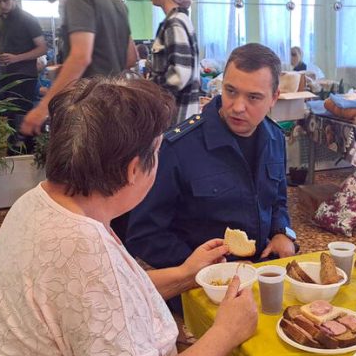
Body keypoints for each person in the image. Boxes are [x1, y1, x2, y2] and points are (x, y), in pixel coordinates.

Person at [0, 76, 257, 356]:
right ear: (135, 169)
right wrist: (226, 330)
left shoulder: (39, 202)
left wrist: (185, 275)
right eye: (158, 152)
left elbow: (99, 301)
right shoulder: (82, 249)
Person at [126, 43, 297, 273]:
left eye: (254, 97)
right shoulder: (178, 147)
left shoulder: (275, 138)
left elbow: (277, 201)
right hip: (200, 283)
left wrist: (281, 232)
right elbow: (145, 234)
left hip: (260, 271)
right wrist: (210, 267)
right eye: (231, 91)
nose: (237, 107)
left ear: (274, 98)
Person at [21, 0, 137, 136]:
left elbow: (81, 57)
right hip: (115, 105)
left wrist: (42, 109)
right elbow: (131, 57)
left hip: (89, 108)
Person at [0, 0, 47, 152]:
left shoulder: (28, 20)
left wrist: (16, 58)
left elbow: (42, 48)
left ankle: (27, 153)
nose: (2, 5)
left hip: (25, 76)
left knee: (23, 118)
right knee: (11, 118)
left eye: (6, 0)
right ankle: (18, 152)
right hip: (6, 76)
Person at [147, 0, 200, 124]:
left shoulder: (174, 23)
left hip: (177, 118)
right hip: (181, 115)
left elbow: (180, 74)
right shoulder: (180, 19)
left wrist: (149, 89)